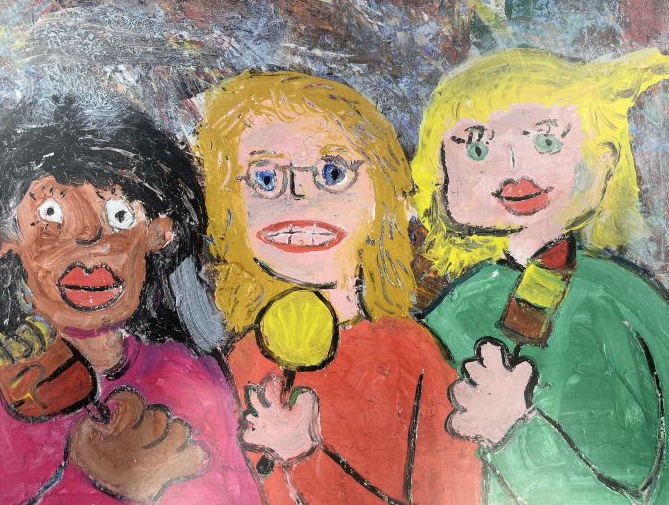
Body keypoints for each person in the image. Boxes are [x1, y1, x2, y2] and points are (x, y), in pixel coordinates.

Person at [0, 96, 261, 504]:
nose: (89, 239)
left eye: (119, 216)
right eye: (51, 214)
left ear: (159, 232)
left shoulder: (191, 377)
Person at [195, 70, 482, 504]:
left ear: (381, 196)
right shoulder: (239, 362)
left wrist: (304, 457)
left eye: (332, 173)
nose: (299, 198)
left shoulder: (410, 354)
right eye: (266, 179)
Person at [411, 47, 669, 503]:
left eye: (546, 142)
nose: (514, 169)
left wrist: (515, 432)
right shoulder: (453, 310)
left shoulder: (628, 301)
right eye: (478, 148)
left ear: (604, 159)